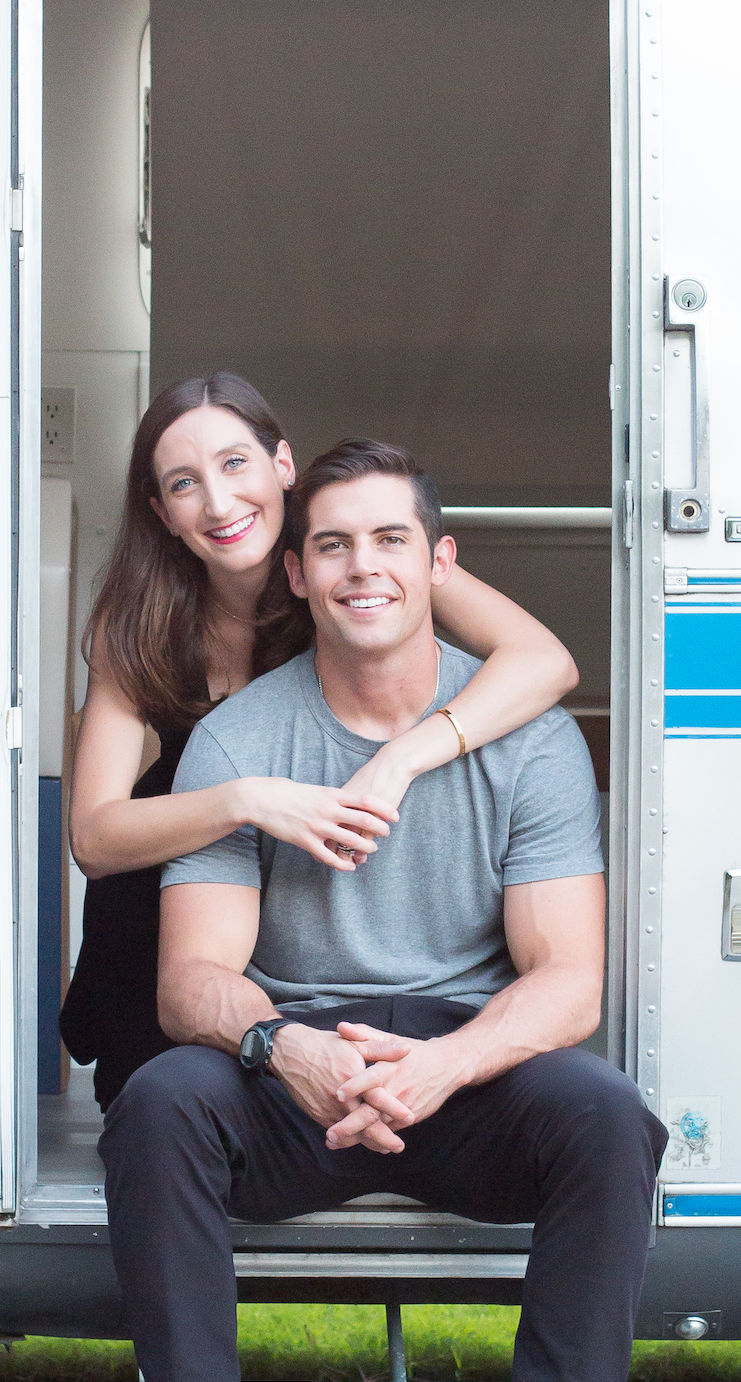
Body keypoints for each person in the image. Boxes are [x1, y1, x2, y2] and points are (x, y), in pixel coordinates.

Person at [101, 437, 667, 1382]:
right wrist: (282, 1049)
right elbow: (190, 980)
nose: (365, 568)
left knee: (607, 1121)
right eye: (334, 546)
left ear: (437, 560)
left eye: (390, 541)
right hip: (296, 1069)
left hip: (454, 1072)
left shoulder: (526, 736)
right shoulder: (242, 743)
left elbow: (567, 982)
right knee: (158, 1107)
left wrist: (451, 1063)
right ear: (297, 577)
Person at [62, 372, 581, 1109]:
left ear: (282, 467)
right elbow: (95, 835)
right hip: (174, 893)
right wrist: (249, 800)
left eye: (236, 464)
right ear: (161, 512)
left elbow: (545, 662)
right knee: (161, 1106)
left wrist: (400, 757)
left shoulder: (349, 569)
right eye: (184, 483)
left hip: (310, 903)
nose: (218, 501)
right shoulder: (138, 625)